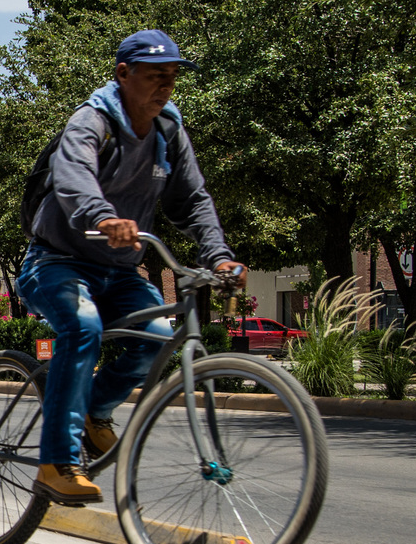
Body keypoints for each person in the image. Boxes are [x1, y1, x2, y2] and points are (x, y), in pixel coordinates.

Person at [17, 29, 245, 504]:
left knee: (162, 338)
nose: (165, 85)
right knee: (82, 328)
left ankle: (96, 411)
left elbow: (194, 201)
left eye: (172, 77)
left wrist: (218, 254)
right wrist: (101, 216)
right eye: (154, 76)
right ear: (123, 74)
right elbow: (73, 174)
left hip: (120, 272)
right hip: (56, 261)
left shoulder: (168, 131)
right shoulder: (92, 120)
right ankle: (56, 463)